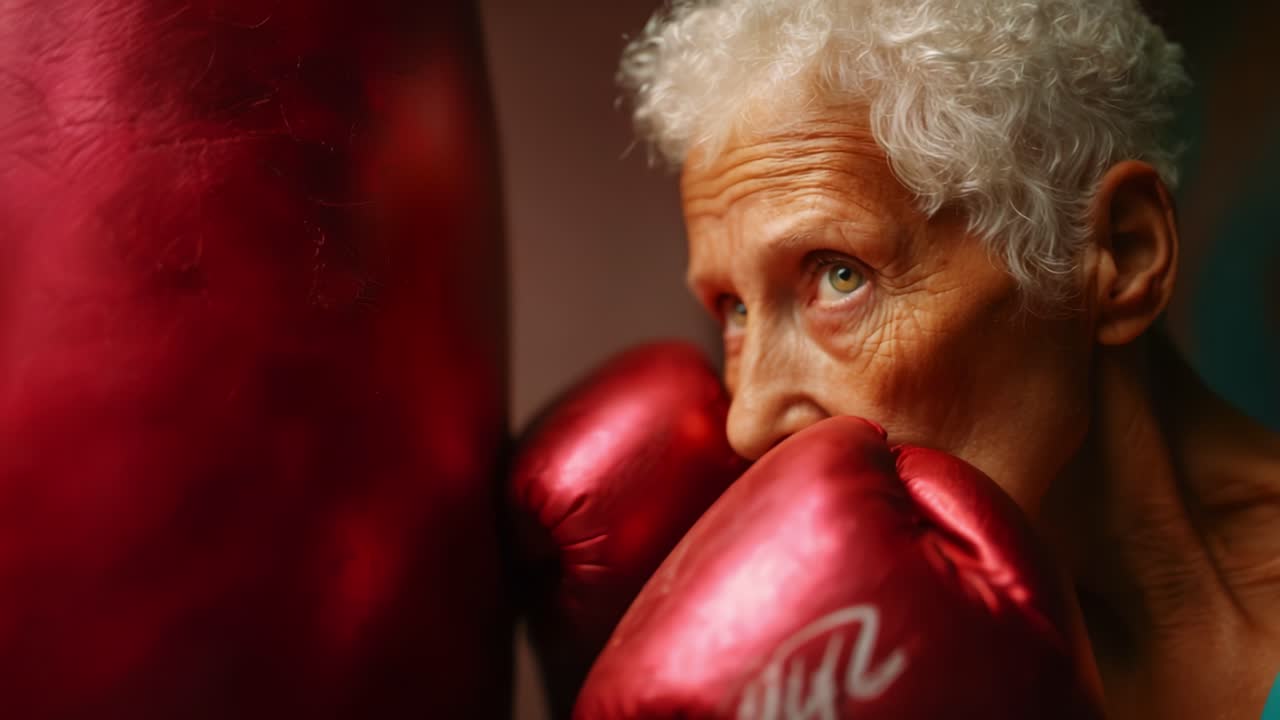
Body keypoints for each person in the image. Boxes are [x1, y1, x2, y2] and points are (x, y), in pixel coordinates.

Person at [616, 1, 1280, 717]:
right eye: (734, 310)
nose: (748, 422)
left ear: (1121, 252)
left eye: (840, 275)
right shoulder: (871, 658)